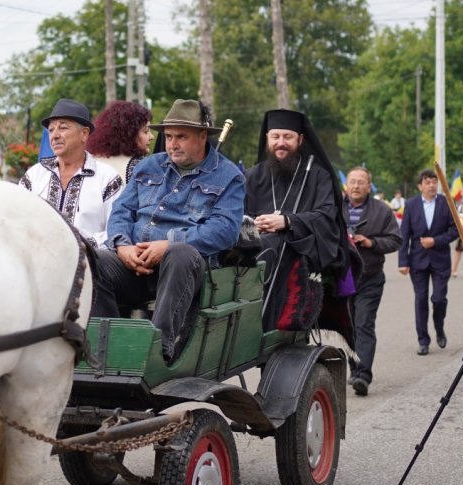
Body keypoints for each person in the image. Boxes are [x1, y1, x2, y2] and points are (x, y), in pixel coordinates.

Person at [92, 99, 245, 362]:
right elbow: (121, 211)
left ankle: (157, 350)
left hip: (187, 272)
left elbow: (225, 230)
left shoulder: (229, 176)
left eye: (181, 137)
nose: (172, 144)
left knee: (180, 254)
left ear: (202, 136)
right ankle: (106, 344)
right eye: (169, 136)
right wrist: (122, 245)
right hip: (135, 264)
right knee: (93, 259)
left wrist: (167, 244)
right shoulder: (148, 166)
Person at [242, 109, 354, 333]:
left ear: (300, 140)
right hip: (255, 245)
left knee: (273, 246)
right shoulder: (252, 176)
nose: (280, 143)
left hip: (300, 249)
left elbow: (326, 216)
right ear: (267, 139)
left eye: (287, 137)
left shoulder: (318, 176)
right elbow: (238, 214)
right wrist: (254, 224)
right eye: (275, 137)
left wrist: (287, 222)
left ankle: (266, 326)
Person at [19, 98, 123, 246]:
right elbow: (17, 220)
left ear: (84, 134)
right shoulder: (34, 176)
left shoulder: (107, 179)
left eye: (63, 128)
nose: (54, 135)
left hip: (88, 264)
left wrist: (79, 247)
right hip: (38, 261)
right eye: (51, 129)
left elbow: (116, 231)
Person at [342, 166, 402, 396]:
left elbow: (395, 240)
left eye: (361, 182)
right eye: (352, 181)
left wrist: (371, 243)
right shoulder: (334, 208)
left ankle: (363, 375)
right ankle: (353, 369)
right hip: (343, 278)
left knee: (363, 323)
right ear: (346, 185)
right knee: (347, 327)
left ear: (369, 186)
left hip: (370, 277)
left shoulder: (382, 211)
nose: (356, 186)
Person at [398, 169, 459, 355]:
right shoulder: (411, 204)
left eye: (434, 181)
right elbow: (404, 235)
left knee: (439, 299)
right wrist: (403, 261)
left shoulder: (446, 202)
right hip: (418, 260)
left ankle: (439, 329)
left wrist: (436, 240)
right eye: (427, 181)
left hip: (440, 259)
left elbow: (456, 230)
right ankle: (423, 340)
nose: (432, 185)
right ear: (420, 186)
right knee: (421, 300)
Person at [86, 99, 153, 182]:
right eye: (146, 131)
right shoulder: (142, 167)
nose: (152, 137)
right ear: (130, 133)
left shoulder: (89, 161)